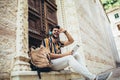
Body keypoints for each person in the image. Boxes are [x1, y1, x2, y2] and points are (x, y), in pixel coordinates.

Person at [42, 25, 112, 80]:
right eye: (54, 30)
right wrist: (65, 54)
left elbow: (71, 41)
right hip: (50, 64)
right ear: (51, 32)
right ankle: (94, 78)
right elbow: (49, 55)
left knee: (76, 55)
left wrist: (65, 32)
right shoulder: (46, 41)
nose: (56, 32)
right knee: (69, 57)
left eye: (58, 31)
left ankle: (88, 77)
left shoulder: (59, 43)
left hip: (57, 63)